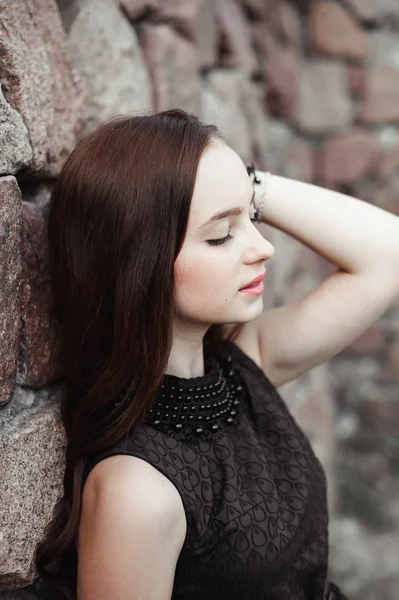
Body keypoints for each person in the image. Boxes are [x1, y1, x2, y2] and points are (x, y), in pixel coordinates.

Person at [35, 109, 399, 600]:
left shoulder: (240, 365)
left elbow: (388, 255)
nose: (263, 246)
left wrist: (242, 185)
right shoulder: (138, 491)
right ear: (141, 260)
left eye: (251, 218)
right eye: (222, 234)